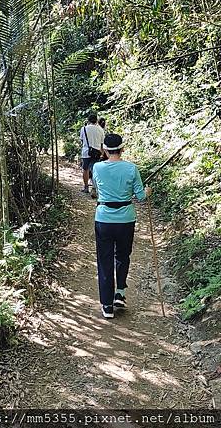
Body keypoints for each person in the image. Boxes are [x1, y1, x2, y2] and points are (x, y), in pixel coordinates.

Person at [92, 133, 151, 319]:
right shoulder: (131, 168)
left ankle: (107, 306)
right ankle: (121, 293)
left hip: (104, 218)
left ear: (105, 150)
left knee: (105, 260)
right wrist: (148, 191)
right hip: (126, 219)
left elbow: (97, 188)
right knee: (123, 256)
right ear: (122, 148)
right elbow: (140, 196)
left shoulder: (97, 167)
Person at [79, 113, 104, 193]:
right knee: (95, 170)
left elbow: (82, 140)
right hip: (97, 152)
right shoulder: (100, 129)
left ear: (88, 120)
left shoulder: (84, 129)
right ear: (96, 120)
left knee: (85, 169)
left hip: (86, 152)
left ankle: (86, 187)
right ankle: (94, 187)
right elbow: (102, 143)